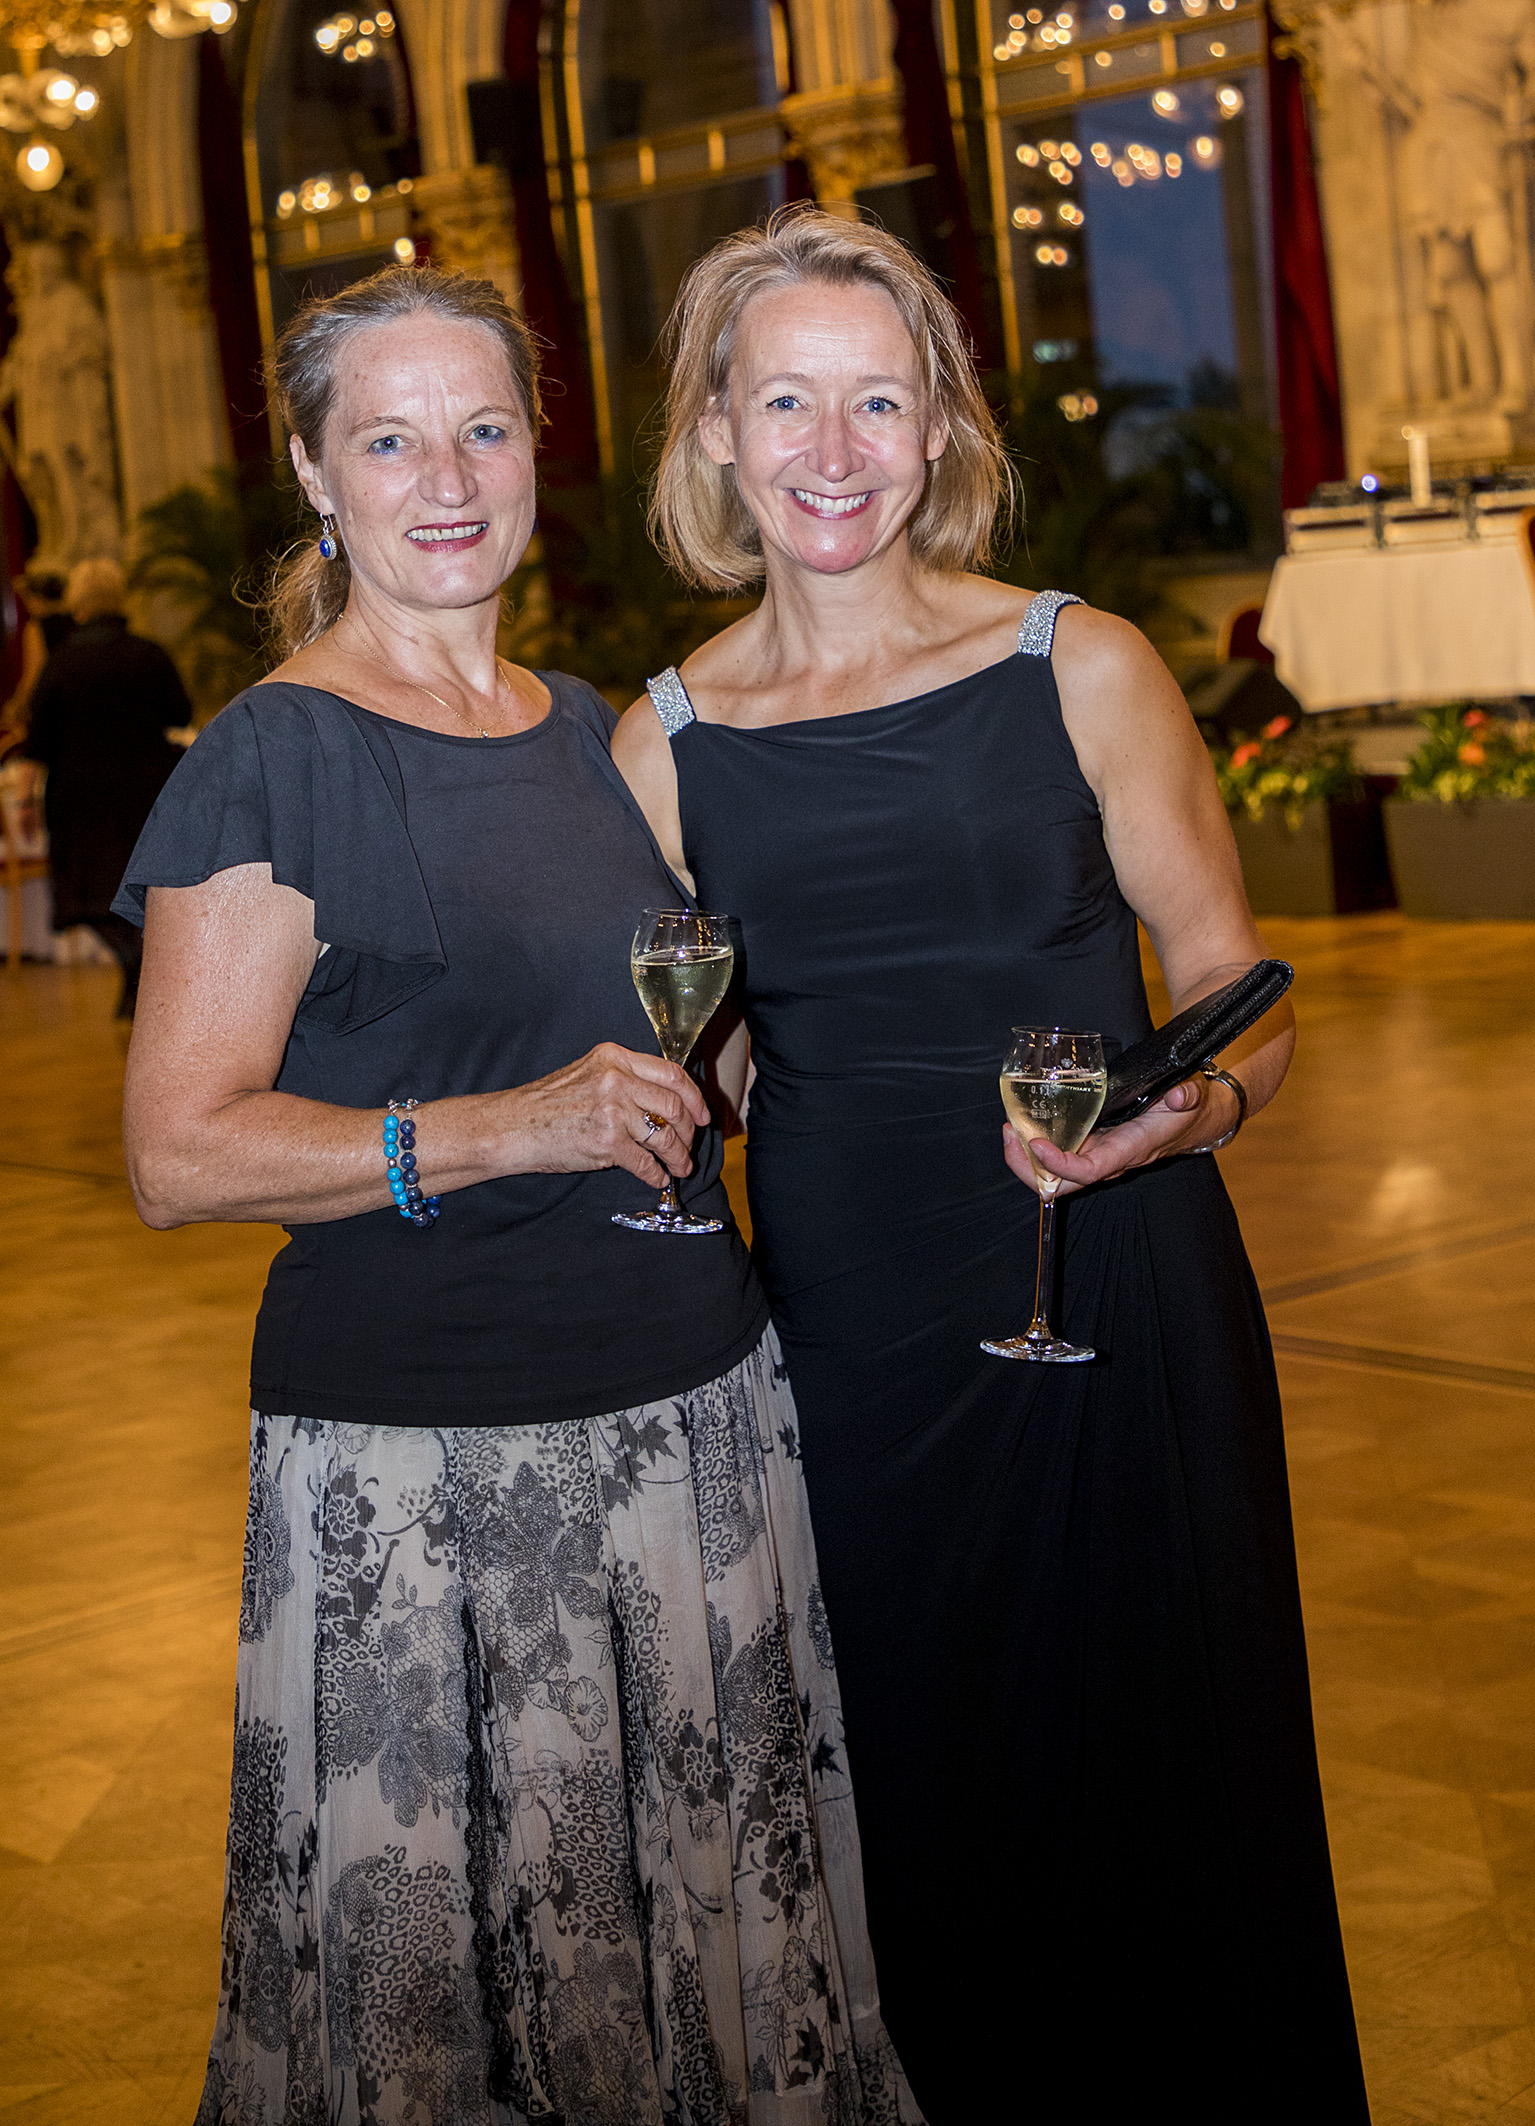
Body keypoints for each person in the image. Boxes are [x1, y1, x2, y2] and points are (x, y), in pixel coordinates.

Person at [116, 264, 920, 2126]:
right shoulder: (277, 755)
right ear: (315, 475)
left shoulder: (576, 725)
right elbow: (176, 1153)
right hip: (438, 1471)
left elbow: (665, 1045)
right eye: (390, 440)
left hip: (693, 1422)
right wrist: (501, 1128)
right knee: (482, 1996)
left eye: (483, 428)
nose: (447, 477)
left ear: (537, 449)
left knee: (703, 1944)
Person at [614, 208, 1370, 2123]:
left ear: (942, 426)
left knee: (1169, 1764)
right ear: (716, 432)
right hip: (853, 1325)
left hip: (1115, 1286)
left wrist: (1191, 1115)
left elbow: (1243, 994)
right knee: (922, 1780)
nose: (834, 448)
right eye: (787, 400)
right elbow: (697, 1058)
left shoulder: (1077, 665)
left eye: (880, 400)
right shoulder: (665, 744)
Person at [24, 557, 184, 1013]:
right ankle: (137, 966)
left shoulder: (61, 663)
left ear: (78, 602)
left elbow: (39, 740)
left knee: (88, 897)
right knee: (139, 890)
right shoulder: (149, 654)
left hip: (80, 800)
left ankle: (132, 963)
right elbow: (179, 711)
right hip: (144, 794)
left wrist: (30, 798)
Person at [2, 564, 73, 738]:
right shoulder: (76, 622)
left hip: (51, 703)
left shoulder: (36, 628)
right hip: (73, 701)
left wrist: (16, 706)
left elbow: (34, 673)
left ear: (37, 598)